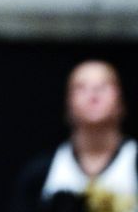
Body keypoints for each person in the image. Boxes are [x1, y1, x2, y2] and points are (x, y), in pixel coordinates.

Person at [10, 60, 138, 212]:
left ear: (121, 102)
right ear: (67, 104)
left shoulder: (133, 163)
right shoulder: (40, 174)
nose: (93, 95)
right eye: (81, 88)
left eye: (103, 87)